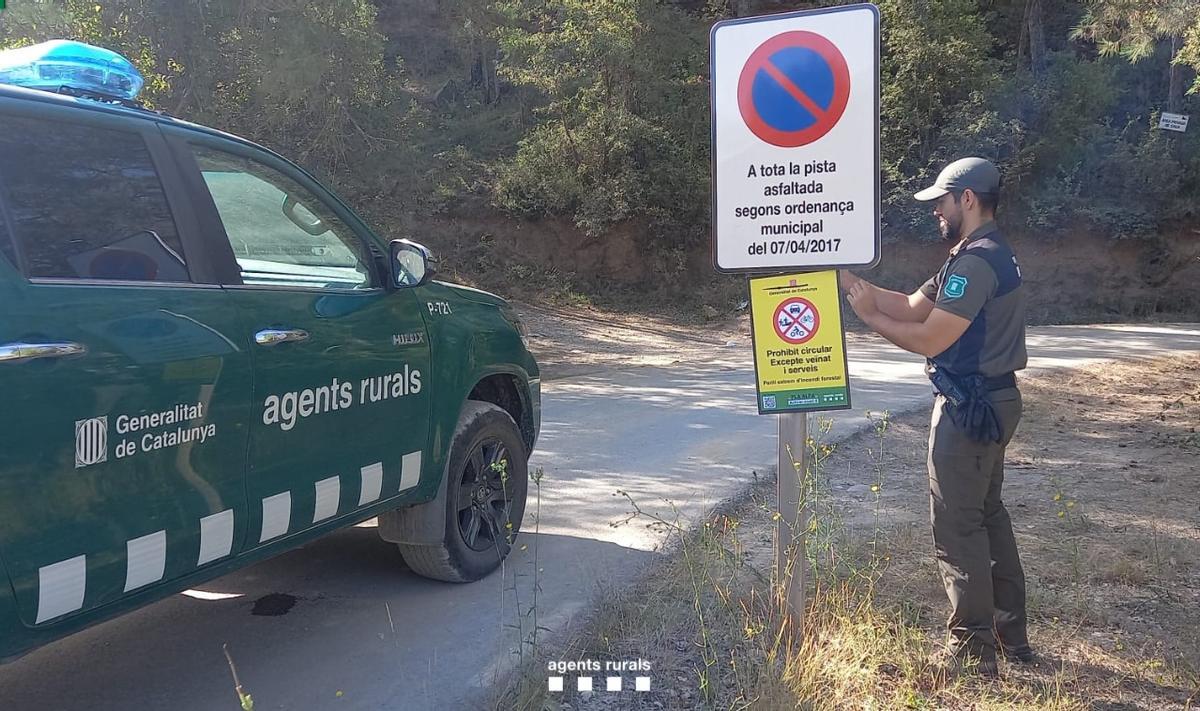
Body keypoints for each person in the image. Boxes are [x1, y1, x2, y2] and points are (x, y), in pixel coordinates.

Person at [840, 157, 1035, 677]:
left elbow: (928, 337)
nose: (936, 213)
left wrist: (868, 320)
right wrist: (849, 282)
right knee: (987, 516)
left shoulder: (975, 264)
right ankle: (1010, 636)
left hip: (970, 410)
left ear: (966, 199)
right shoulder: (979, 254)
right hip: (990, 402)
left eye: (941, 202)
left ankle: (974, 652)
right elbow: (909, 305)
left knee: (958, 527)